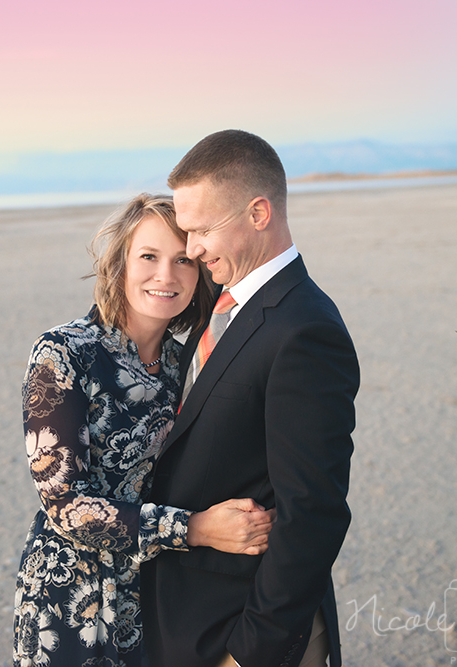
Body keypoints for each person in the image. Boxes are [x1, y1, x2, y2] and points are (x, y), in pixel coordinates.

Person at [13, 194, 276, 667]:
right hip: (73, 598)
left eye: (182, 261)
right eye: (149, 257)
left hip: (160, 595)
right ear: (120, 264)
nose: (166, 276)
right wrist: (194, 529)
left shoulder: (188, 365)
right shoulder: (64, 353)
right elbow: (65, 504)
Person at [140, 130, 361, 667]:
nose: (190, 250)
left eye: (201, 231)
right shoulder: (220, 299)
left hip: (241, 632)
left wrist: (250, 654)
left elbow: (313, 512)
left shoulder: (305, 330)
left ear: (258, 213)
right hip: (183, 621)